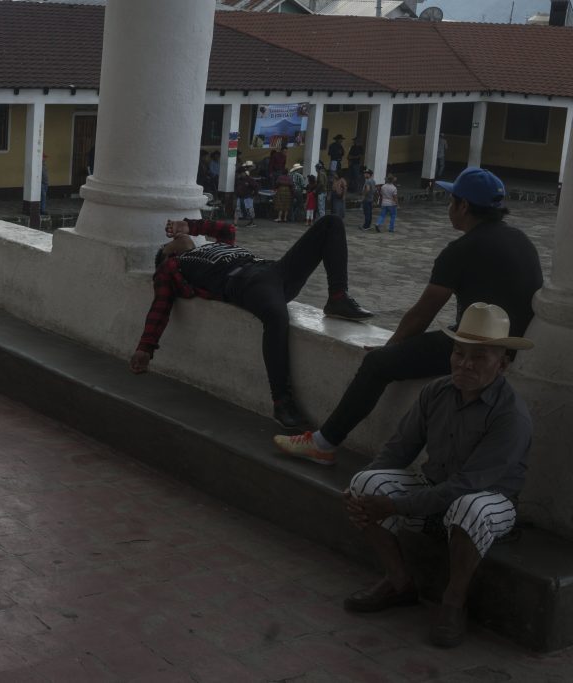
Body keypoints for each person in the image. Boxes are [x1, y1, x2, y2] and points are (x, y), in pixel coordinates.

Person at [274, 168, 542, 465]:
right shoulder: (520, 240)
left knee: (377, 365)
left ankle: (324, 443)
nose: (448, 208)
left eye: (452, 201)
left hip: (481, 344)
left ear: (464, 206)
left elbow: (422, 314)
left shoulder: (462, 250)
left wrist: (392, 347)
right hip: (513, 342)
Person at [342, 302, 532, 648]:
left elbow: (467, 485)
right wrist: (361, 492)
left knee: (469, 507)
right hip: (435, 490)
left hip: (490, 500)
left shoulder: (510, 416)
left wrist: (396, 507)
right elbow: (399, 449)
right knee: (363, 484)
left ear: (502, 365)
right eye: (459, 353)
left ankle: (453, 603)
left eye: (479, 357)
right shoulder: (436, 392)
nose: (465, 364)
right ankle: (399, 583)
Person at [129, 215, 373, 429]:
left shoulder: (216, 248)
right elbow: (159, 307)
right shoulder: (172, 267)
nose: (180, 239)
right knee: (277, 319)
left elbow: (227, 230)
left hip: (274, 270)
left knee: (330, 223)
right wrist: (145, 347)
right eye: (170, 243)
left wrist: (190, 225)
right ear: (167, 253)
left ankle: (338, 296)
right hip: (246, 284)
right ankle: (281, 401)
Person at [234, 163, 258, 227]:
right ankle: (235, 223)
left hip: (248, 197)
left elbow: (256, 187)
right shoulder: (238, 180)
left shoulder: (249, 179)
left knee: (250, 210)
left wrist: (254, 195)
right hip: (240, 197)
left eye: (239, 174)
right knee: (238, 209)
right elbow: (236, 187)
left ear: (243, 173)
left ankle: (252, 222)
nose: (238, 175)